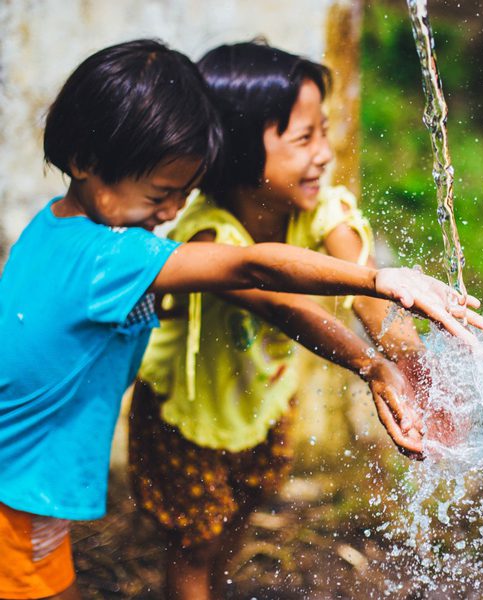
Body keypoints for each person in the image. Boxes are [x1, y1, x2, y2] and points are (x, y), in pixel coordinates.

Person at [0, 39, 483, 600]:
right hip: (21, 477)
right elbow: (255, 269)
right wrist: (378, 280)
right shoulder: (110, 256)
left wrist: (398, 356)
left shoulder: (56, 227)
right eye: (161, 194)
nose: (170, 214)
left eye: (181, 194)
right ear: (86, 162)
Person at [127, 40, 437, 600]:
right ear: (240, 151)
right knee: (193, 545)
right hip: (188, 414)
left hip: (265, 400)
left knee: (241, 514)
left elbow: (365, 286)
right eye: (304, 138)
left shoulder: (318, 208)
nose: (324, 152)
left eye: (324, 130)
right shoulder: (205, 232)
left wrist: (413, 364)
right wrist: (369, 365)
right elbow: (282, 304)